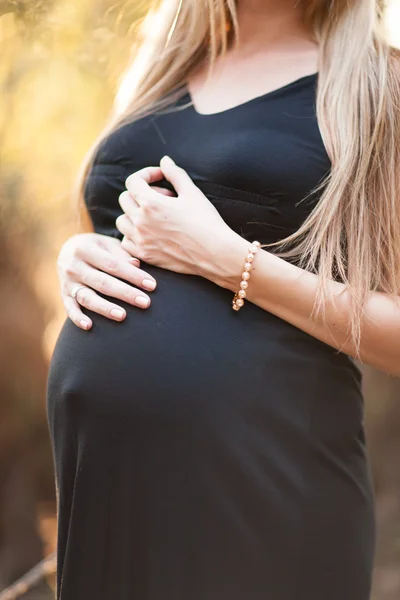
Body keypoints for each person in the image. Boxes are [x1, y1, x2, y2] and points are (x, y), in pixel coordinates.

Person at [47, 0, 400, 598]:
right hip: (107, 489)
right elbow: (121, 229)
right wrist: (75, 257)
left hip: (265, 491)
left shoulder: (377, 87)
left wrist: (231, 261)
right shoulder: (158, 71)